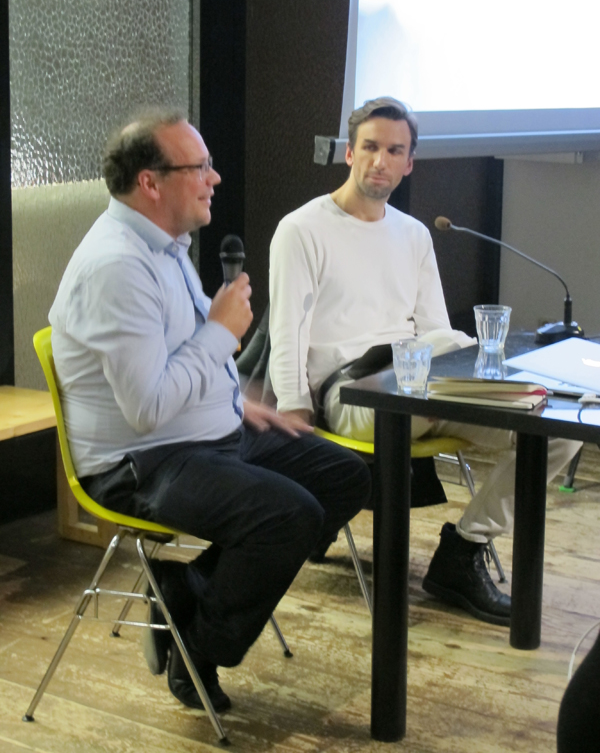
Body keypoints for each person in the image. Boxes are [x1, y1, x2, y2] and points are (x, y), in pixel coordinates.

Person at [49, 108, 370, 713]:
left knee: (344, 476)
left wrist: (237, 401)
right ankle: (198, 645)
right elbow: (147, 408)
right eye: (199, 167)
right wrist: (222, 332)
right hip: (142, 462)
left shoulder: (163, 245)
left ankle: (186, 586)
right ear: (150, 182)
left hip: (202, 433)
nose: (214, 178)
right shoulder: (117, 268)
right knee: (288, 516)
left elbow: (179, 357)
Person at [269, 96, 581, 627]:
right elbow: (286, 332)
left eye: (395, 151)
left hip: (422, 385)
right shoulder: (302, 230)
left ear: (409, 162)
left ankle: (463, 550)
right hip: (353, 393)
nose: (381, 161)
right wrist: (294, 414)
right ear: (350, 153)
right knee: (447, 352)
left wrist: (475, 370)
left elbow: (437, 330)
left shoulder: (412, 234)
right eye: (370, 147)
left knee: (558, 427)